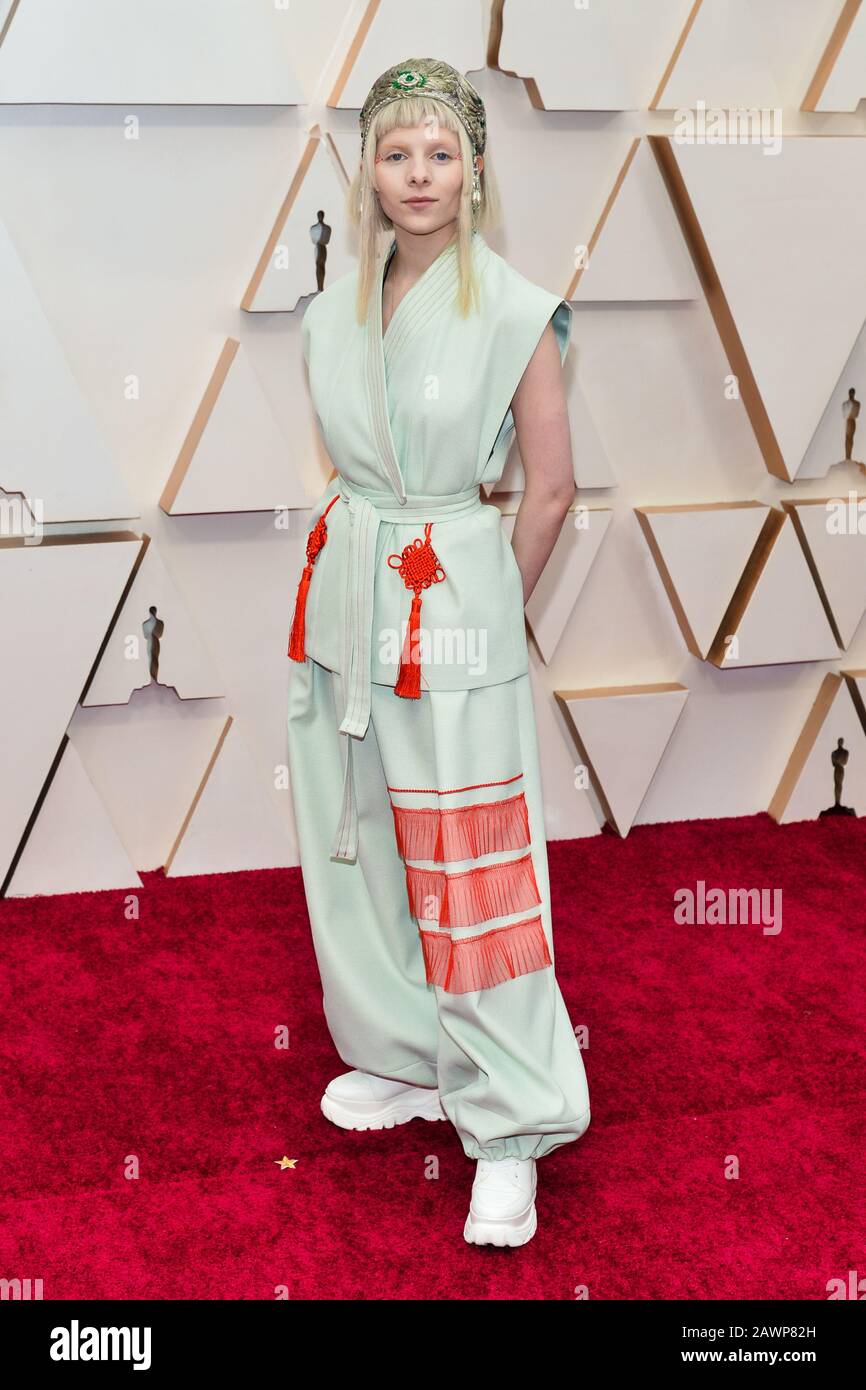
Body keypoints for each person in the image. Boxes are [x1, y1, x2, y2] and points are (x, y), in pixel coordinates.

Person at [286, 57, 590, 1248]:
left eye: (440, 154)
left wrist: (480, 620)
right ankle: (409, 1051)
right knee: (354, 839)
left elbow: (551, 491)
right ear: (367, 171)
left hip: (450, 598)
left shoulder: (515, 308)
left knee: (473, 871)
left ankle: (510, 1120)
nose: (417, 175)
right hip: (344, 597)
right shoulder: (329, 310)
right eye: (395, 153)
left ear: (474, 171)